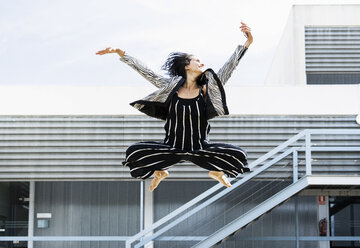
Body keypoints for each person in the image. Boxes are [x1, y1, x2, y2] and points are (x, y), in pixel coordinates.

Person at [96, 21, 253, 192]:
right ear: (187, 66)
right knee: (133, 152)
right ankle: (160, 172)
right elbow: (147, 72)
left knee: (239, 155)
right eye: (196, 60)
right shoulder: (171, 87)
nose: (201, 62)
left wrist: (247, 42)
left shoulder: (208, 88)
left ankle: (216, 172)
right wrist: (121, 53)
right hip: (170, 148)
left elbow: (230, 65)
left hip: (201, 149)